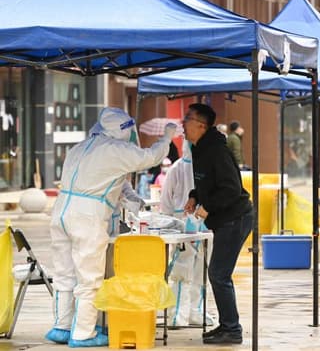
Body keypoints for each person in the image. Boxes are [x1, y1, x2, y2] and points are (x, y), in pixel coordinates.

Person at [46, 107, 174, 347]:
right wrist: (166, 138)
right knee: (89, 277)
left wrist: (128, 196)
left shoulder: (81, 147)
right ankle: (83, 333)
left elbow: (107, 178)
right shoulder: (116, 149)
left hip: (61, 211)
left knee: (65, 274)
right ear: (122, 129)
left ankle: (62, 327)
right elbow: (149, 157)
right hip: (87, 217)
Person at [183, 104, 252, 345]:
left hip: (236, 217)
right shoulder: (199, 148)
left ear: (201, 125)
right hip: (225, 218)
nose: (183, 123)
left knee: (218, 274)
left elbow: (231, 189)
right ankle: (226, 325)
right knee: (218, 274)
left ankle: (232, 329)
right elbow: (206, 182)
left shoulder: (217, 151)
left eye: (187, 119)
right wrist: (194, 195)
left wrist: (208, 207)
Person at [160, 140, 214, 327]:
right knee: (184, 268)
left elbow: (166, 200)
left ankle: (191, 312)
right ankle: (180, 314)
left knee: (199, 268)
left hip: (201, 222)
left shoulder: (191, 166)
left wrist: (167, 217)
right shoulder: (179, 167)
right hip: (185, 223)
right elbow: (167, 198)